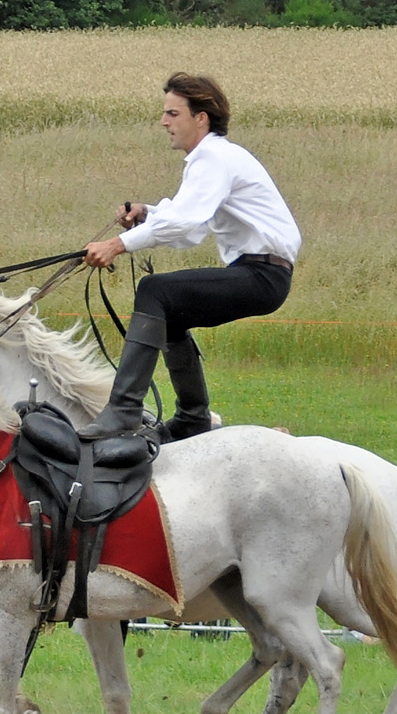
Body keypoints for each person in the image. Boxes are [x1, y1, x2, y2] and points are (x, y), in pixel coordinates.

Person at [79, 73, 300, 443]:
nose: (163, 122)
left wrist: (118, 244)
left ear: (201, 118)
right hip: (263, 274)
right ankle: (193, 419)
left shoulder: (213, 158)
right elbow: (192, 228)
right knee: (170, 311)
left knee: (155, 291)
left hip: (263, 276)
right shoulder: (214, 158)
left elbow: (184, 222)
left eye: (173, 113)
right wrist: (147, 214)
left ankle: (123, 411)